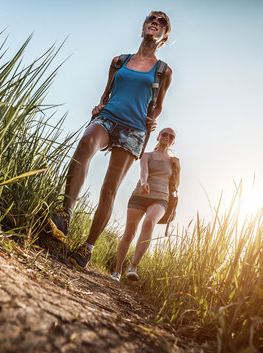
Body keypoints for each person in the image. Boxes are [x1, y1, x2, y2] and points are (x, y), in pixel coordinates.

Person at [47, 11, 173, 270]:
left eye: (162, 22)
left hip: (134, 129)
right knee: (86, 143)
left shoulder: (164, 71)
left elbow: (159, 105)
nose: (155, 22)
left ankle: (87, 247)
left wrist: (153, 120)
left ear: (164, 36)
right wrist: (100, 105)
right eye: (152, 18)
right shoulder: (119, 61)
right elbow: (106, 92)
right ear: (143, 27)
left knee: (109, 188)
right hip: (108, 118)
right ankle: (65, 214)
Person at [110, 128, 180, 281]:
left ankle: (132, 268)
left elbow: (176, 185)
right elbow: (144, 171)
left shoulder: (174, 161)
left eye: (171, 136)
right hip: (140, 195)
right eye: (164, 134)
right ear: (158, 137)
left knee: (149, 223)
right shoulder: (147, 155)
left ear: (173, 141)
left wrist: (178, 168)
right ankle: (117, 270)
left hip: (161, 198)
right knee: (129, 233)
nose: (167, 137)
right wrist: (143, 183)